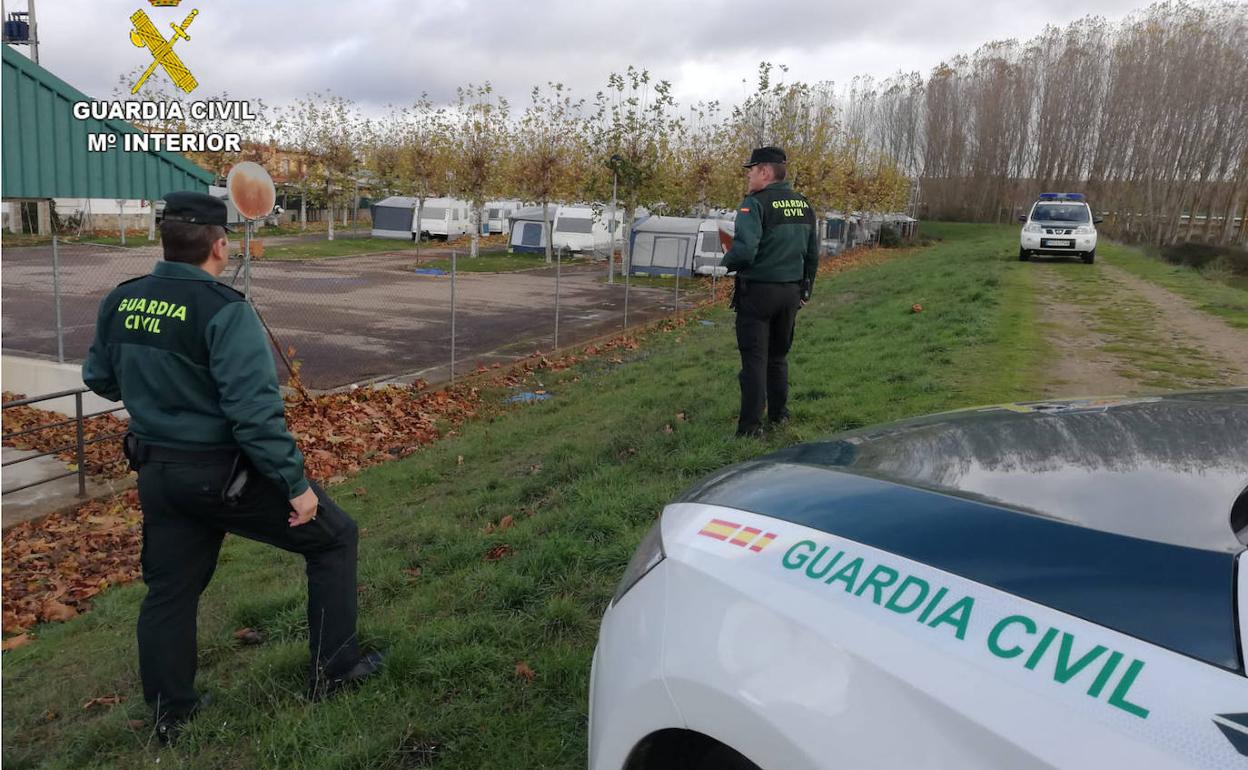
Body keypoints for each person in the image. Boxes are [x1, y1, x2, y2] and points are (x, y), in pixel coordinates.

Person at [82, 191, 381, 743]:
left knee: (170, 591)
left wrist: (159, 394)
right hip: (224, 476)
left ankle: (172, 716)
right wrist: (295, 486)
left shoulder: (121, 299)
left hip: (158, 474)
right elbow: (254, 415)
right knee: (335, 539)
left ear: (166, 241)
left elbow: (99, 378)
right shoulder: (225, 310)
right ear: (219, 246)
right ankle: (337, 671)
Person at [721, 146, 820, 438]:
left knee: (754, 361)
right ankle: (779, 416)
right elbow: (812, 254)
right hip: (791, 293)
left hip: (758, 293)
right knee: (778, 357)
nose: (749, 176)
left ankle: (751, 429)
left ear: (764, 172)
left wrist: (726, 261)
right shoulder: (803, 205)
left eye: (751, 170)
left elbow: (745, 251)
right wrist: (806, 290)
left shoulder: (754, 204)